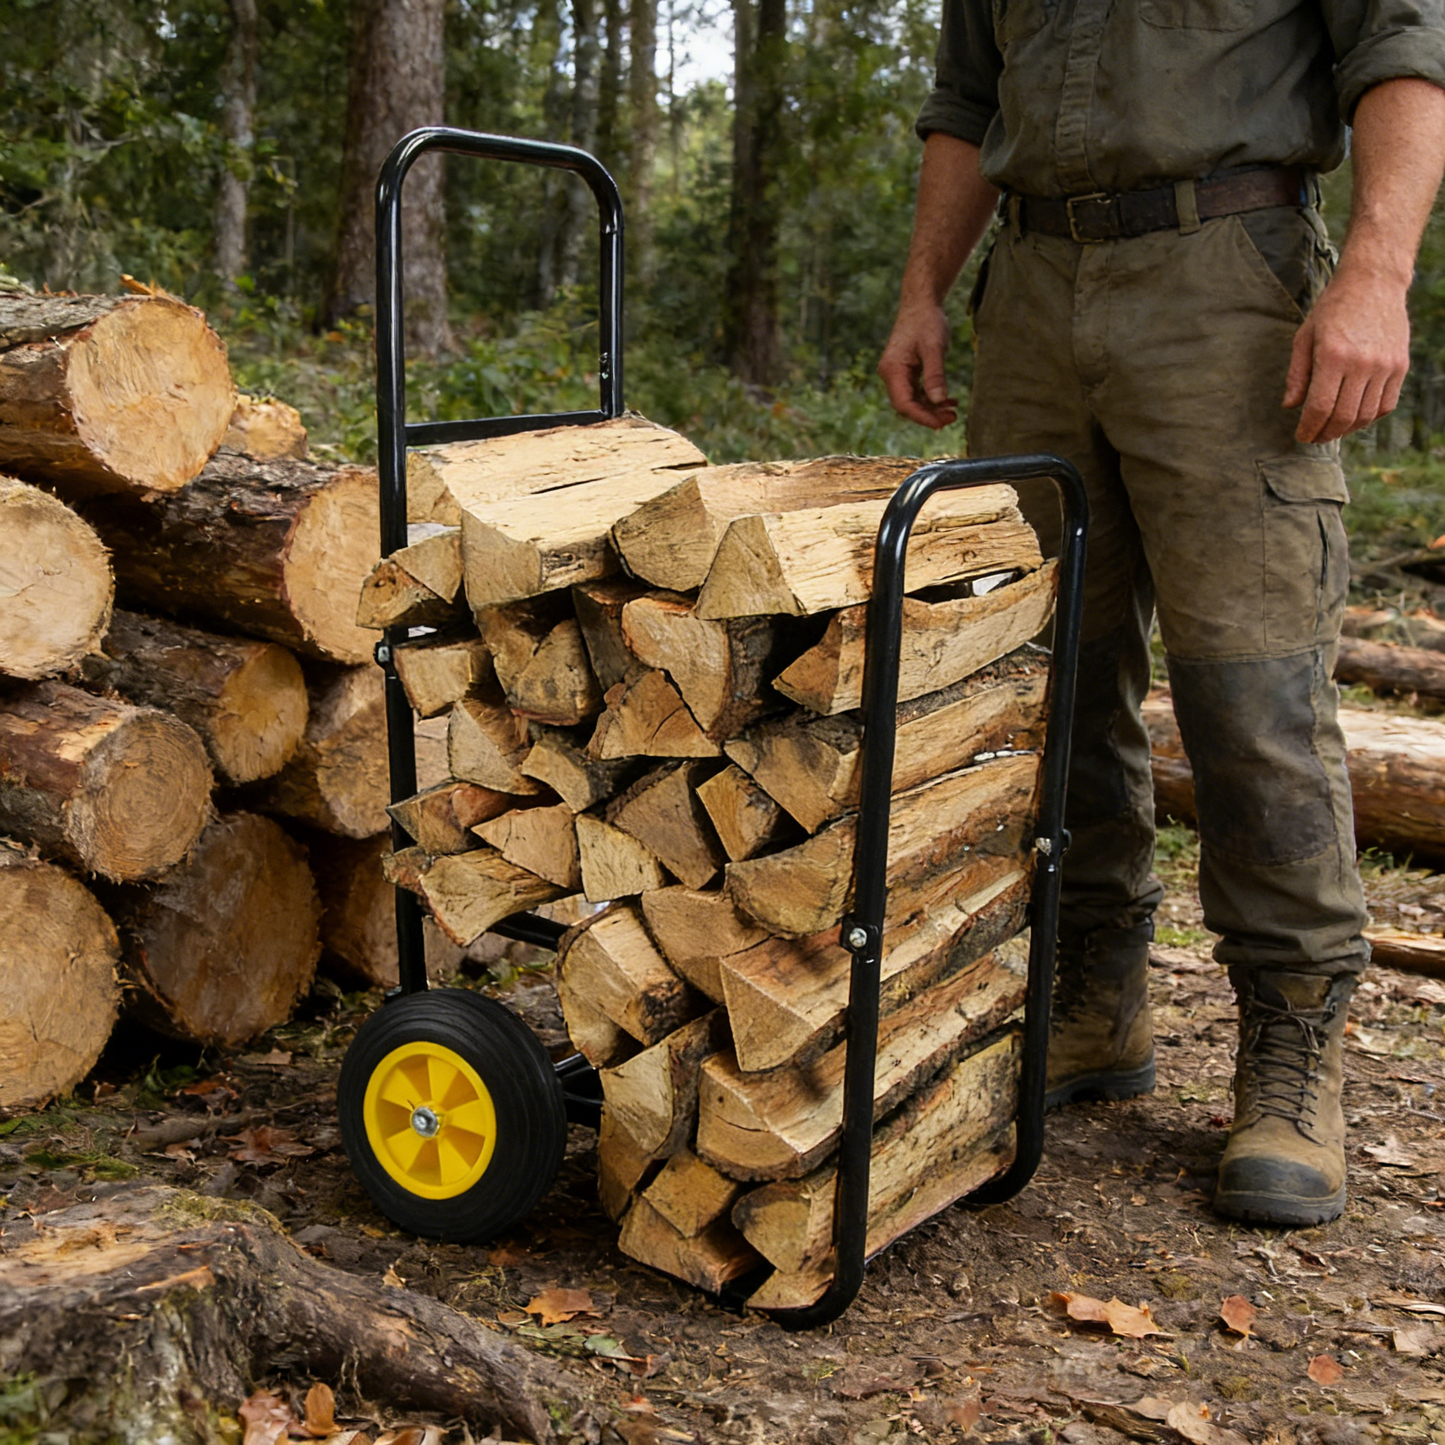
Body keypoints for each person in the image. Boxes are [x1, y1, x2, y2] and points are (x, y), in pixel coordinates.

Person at [878, 1, 1445, 1227]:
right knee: (1047, 676)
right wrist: (922, 289)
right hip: (1028, 290)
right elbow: (965, 104)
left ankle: (1292, 1042)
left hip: (1223, 281)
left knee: (1250, 686)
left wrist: (1374, 273)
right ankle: (1097, 991)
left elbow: (1401, 52)